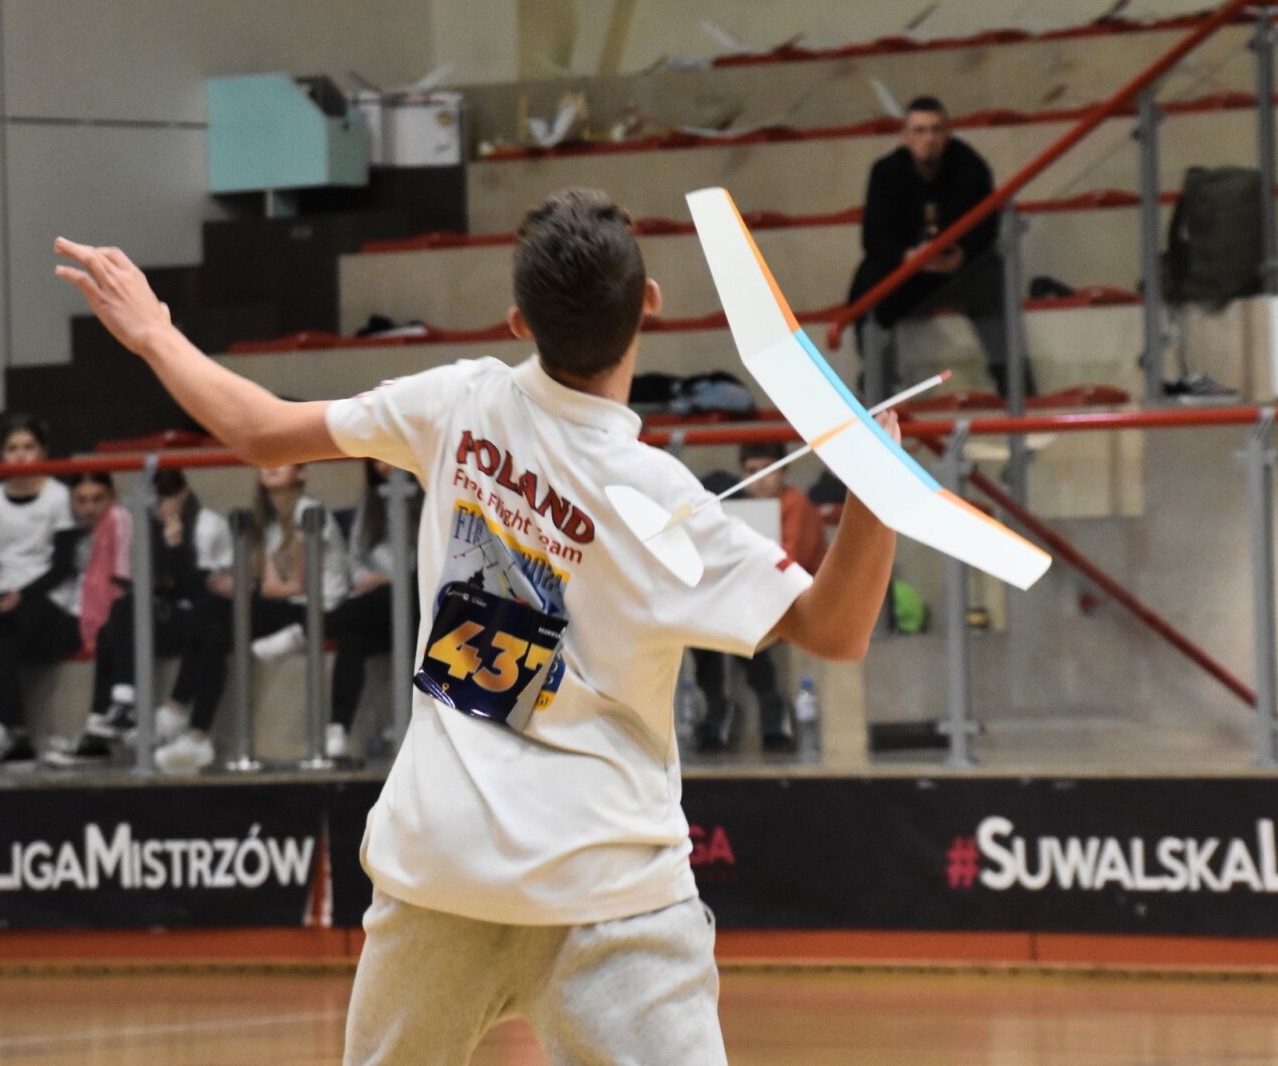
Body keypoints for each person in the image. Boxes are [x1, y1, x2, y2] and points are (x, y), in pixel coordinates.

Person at [56, 187, 895, 1065]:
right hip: (608, 891)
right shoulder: (663, 500)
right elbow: (835, 630)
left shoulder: (459, 400)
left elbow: (260, 432)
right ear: (648, 304)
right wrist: (875, 495)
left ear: (518, 320)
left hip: (440, 874)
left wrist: (154, 331)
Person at [150, 463, 348, 774]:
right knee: (214, 631)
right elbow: (268, 584)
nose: (271, 466)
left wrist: (246, 585)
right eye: (266, 461)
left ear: (301, 473)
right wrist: (239, 582)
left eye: (282, 460)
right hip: (285, 604)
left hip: (316, 610)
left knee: (209, 608)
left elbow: (294, 586)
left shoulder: (308, 512)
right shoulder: (268, 521)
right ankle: (196, 735)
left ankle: (175, 708)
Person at [847, 95, 1035, 400]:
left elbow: (987, 227)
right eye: (919, 131)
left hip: (960, 270)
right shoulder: (886, 172)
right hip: (908, 272)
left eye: (936, 130)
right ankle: (878, 382)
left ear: (948, 133)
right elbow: (873, 237)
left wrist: (963, 254)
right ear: (905, 136)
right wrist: (907, 256)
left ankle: (1016, 386)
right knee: (868, 281)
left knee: (993, 278)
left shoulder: (971, 166)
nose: (929, 139)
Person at [45, 468, 233, 768]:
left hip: (202, 617)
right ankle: (105, 721)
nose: (162, 508)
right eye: (155, 502)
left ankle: (123, 709)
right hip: (165, 614)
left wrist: (175, 548)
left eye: (168, 499)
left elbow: (203, 593)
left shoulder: (208, 525)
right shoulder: (147, 527)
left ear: (183, 494)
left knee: (130, 612)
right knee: (112, 627)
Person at [692, 441, 828, 755]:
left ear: (785, 470)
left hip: (796, 600)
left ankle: (768, 710)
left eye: (767, 469)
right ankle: (718, 706)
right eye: (751, 471)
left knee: (738, 621)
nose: (759, 479)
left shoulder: (795, 505)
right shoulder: (739, 508)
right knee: (701, 623)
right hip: (755, 594)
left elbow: (788, 564)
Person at [0, 416, 78, 768]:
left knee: (1, 638)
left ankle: (4, 731)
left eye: (28, 447)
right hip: (3, 590)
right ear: (0, 454)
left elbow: (62, 565)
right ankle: (5, 733)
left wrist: (23, 595)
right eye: (12, 448)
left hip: (49, 597)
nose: (21, 455)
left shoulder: (58, 496)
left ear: (43, 452)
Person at [319, 458, 422, 762]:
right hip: (376, 608)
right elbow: (356, 556)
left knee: (398, 595)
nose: (383, 465)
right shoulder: (371, 502)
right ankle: (338, 728)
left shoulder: (427, 498)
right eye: (376, 460)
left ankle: (310, 627)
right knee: (352, 637)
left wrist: (393, 580)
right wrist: (367, 578)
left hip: (418, 605)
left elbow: (431, 559)